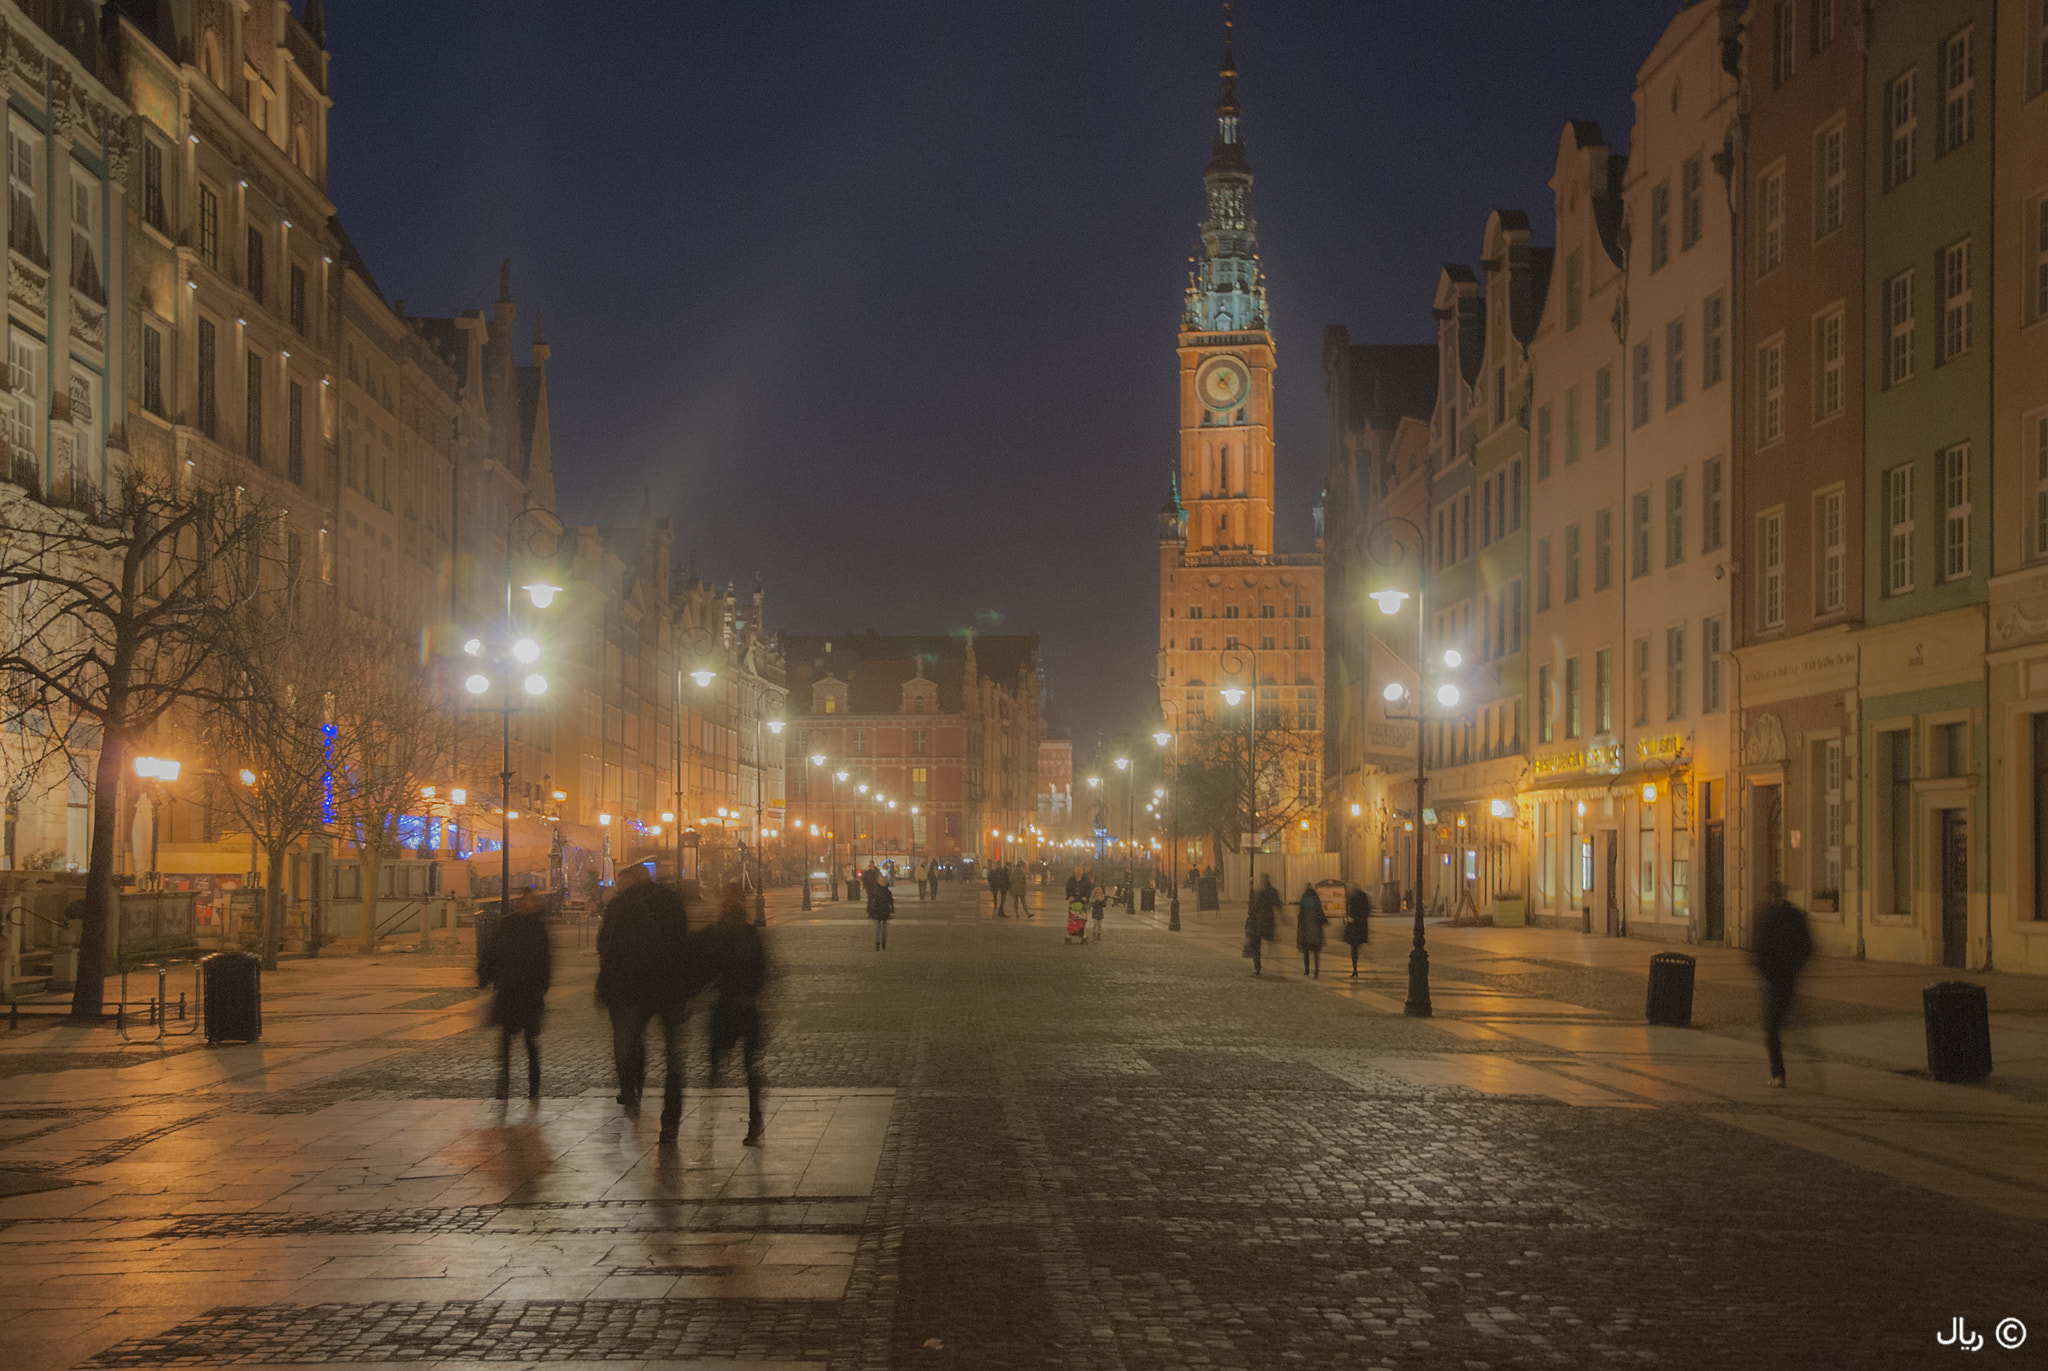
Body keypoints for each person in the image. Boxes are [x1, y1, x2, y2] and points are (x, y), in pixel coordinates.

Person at [596, 862, 694, 1144]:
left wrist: (608, 985)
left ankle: (631, 1094)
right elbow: (682, 942)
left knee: (627, 1045)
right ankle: (670, 1121)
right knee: (674, 1058)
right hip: (669, 987)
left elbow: (606, 946)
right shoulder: (671, 900)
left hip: (632, 988)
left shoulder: (620, 905)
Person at [697, 883, 769, 1146]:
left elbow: (706, 969)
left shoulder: (718, 933)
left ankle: (708, 1122)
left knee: (716, 1067)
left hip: (725, 1007)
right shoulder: (750, 933)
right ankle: (755, 1120)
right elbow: (763, 971)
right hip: (748, 1007)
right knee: (751, 1067)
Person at [477, 890, 552, 1100]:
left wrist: (542, 985)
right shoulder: (508, 925)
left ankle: (533, 1087)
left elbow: (545, 961)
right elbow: (491, 953)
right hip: (509, 991)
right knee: (506, 1042)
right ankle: (503, 1085)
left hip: (529, 993)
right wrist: (484, 976)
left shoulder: (538, 927)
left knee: (531, 1042)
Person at [1752, 882, 1813, 1087]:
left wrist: (1764, 971)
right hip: (1788, 979)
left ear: (1770, 895)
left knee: (1771, 1029)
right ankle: (1779, 1071)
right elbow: (1808, 947)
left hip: (1773, 980)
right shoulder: (1795, 916)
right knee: (1777, 1024)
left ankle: (1778, 1074)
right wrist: (1795, 970)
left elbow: (1757, 949)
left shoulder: (1766, 917)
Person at [1296, 883, 1327, 978]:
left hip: (1306, 930)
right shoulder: (1316, 900)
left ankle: (1307, 970)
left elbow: (1300, 916)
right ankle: (1316, 971)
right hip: (1316, 930)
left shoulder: (1303, 899)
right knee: (1316, 953)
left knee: (1306, 952)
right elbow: (1322, 916)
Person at [1342, 884, 1373, 979]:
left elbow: (1350, 912)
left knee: (1354, 949)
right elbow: (1368, 911)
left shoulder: (1353, 897)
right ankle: (1356, 967)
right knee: (1357, 947)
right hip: (1362, 926)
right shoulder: (1364, 897)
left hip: (1354, 927)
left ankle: (1355, 968)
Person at [868, 873, 895, 949]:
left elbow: (891, 902)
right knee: (881, 928)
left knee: (880, 928)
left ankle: (881, 942)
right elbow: (871, 901)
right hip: (880, 911)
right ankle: (880, 942)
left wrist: (870, 910)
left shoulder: (881, 891)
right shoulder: (884, 892)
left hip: (880, 911)